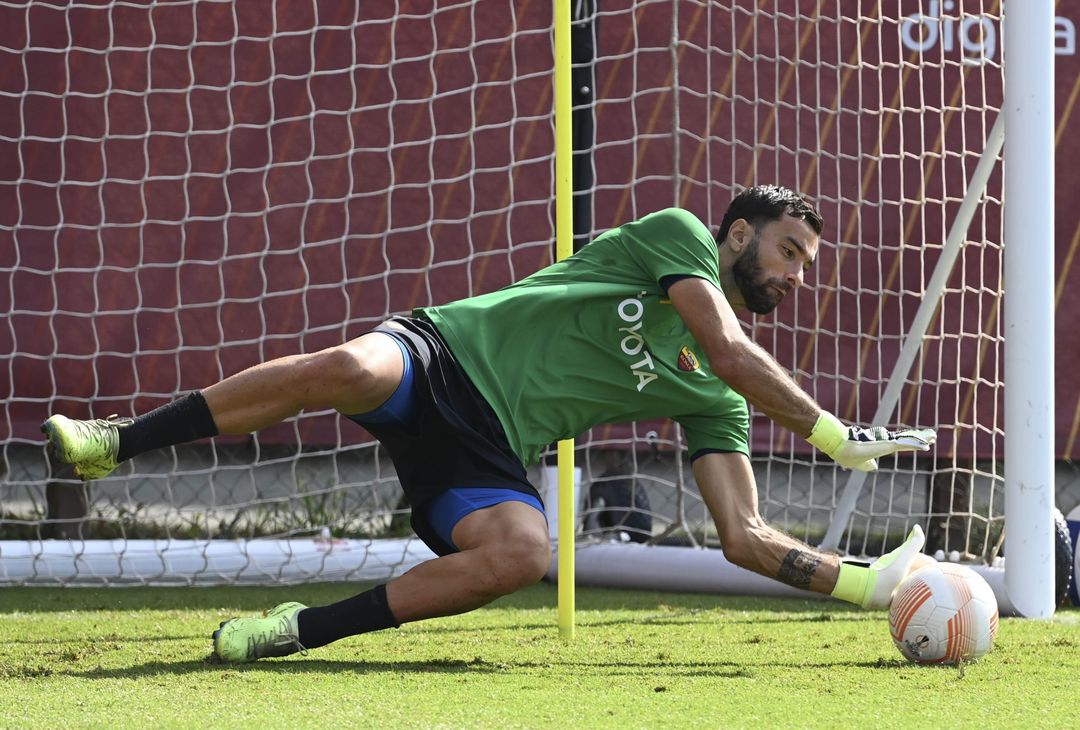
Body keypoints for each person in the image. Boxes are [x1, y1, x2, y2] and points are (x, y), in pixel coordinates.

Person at [42, 185, 936, 663]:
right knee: (349, 367)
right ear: (738, 235)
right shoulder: (680, 238)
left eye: (807, 264)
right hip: (442, 354)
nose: (796, 275)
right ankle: (113, 443)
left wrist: (869, 587)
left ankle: (299, 630)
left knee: (523, 554)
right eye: (788, 251)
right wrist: (833, 435)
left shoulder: (716, 396)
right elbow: (730, 348)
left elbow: (744, 538)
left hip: (487, 449)